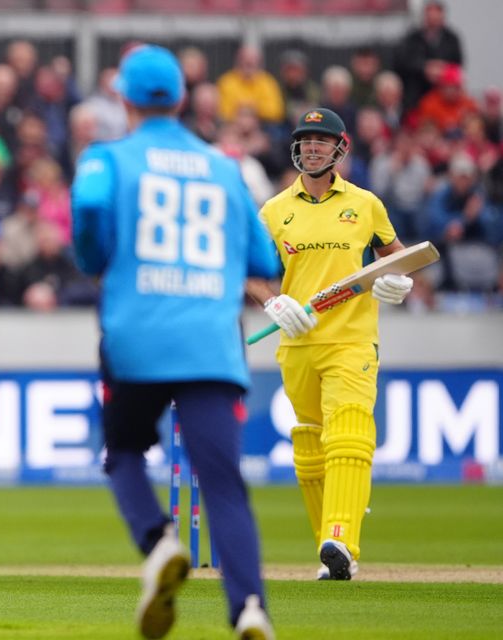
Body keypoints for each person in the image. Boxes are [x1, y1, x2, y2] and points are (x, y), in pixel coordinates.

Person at [71, 44, 276, 640]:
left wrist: (95, 257)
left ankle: (158, 541)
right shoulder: (224, 165)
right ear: (183, 99)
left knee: (123, 451)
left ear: (124, 98)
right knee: (224, 484)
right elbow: (263, 256)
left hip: (138, 336)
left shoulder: (105, 158)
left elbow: (86, 210)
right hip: (214, 343)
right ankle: (250, 610)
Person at [246, 107, 415, 582]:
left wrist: (397, 282)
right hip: (298, 342)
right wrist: (272, 302)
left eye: (322, 141)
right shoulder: (274, 210)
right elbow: (253, 272)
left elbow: (397, 257)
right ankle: (334, 556)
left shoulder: (365, 204)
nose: (313, 148)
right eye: (306, 140)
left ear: (341, 148)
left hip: (352, 340)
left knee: (348, 434)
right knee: (310, 444)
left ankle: (340, 537)